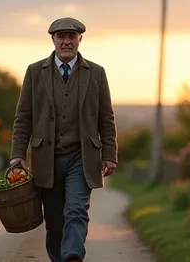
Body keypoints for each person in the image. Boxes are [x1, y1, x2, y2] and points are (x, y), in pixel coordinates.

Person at [9, 17, 118, 262]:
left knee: (77, 210)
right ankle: (60, 257)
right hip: (45, 158)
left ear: (80, 39)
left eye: (72, 37)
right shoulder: (35, 72)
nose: (67, 42)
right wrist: (18, 154)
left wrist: (110, 154)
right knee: (55, 219)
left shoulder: (96, 73)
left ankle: (72, 257)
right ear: (53, 40)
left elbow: (106, 118)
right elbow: (23, 117)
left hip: (81, 156)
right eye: (62, 37)